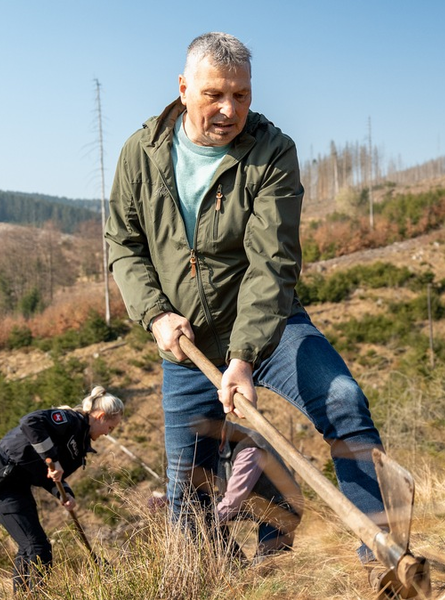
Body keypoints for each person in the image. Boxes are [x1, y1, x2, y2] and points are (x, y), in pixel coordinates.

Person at [104, 31, 389, 581]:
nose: (229, 110)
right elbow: (124, 243)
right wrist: (156, 314)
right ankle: (215, 581)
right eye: (214, 94)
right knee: (188, 491)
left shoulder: (272, 151)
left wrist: (244, 356)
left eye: (241, 94)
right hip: (186, 346)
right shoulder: (141, 153)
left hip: (270, 329)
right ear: (183, 89)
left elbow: (273, 260)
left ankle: (384, 557)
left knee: (344, 401)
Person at [0, 387, 124, 593]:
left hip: (17, 485)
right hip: (4, 478)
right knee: (37, 548)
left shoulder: (80, 448)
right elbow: (30, 422)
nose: (106, 433)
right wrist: (51, 458)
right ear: (101, 416)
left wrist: (65, 494)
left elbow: (50, 476)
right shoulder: (70, 419)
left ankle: (23, 596)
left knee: (30, 547)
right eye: (109, 428)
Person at [215, 420, 303, 566]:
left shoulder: (248, 448)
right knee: (202, 509)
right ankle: (237, 567)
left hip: (282, 507)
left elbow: (233, 501)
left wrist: (207, 524)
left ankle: (251, 570)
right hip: (255, 503)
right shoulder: (213, 444)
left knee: (265, 570)